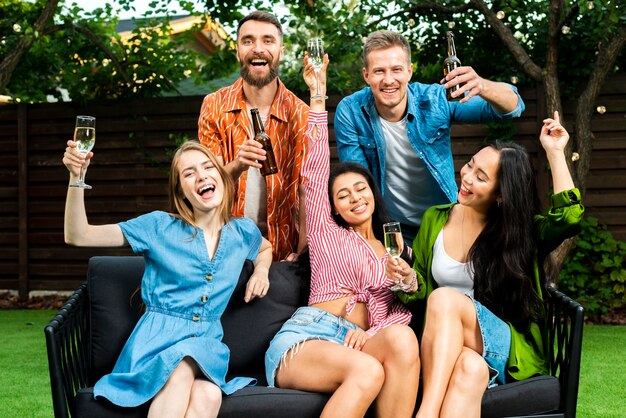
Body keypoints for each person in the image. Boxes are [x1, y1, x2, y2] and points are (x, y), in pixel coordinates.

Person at [386, 111, 584, 417]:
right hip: (450, 347)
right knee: (470, 369)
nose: (466, 177)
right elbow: (422, 290)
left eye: (481, 177)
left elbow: (569, 218)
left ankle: (425, 412)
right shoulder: (435, 218)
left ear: (502, 195)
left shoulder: (520, 232)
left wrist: (556, 153)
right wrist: (410, 279)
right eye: (470, 165)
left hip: (504, 342)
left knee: (446, 298)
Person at [63, 139, 272, 418]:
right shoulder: (158, 226)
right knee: (196, 381)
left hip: (207, 345)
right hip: (156, 344)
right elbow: (79, 236)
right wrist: (76, 178)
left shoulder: (242, 232)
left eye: (208, 167)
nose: (201, 176)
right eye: (189, 173)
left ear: (221, 177)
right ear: (181, 192)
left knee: (207, 390)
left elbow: (265, 248)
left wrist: (261, 271)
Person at [264, 53, 419, 418]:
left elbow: (400, 313)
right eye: (343, 195)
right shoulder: (325, 232)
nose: (354, 197)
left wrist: (407, 284)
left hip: (360, 342)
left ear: (372, 193)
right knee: (367, 370)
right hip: (311, 336)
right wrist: (318, 96)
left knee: (402, 338)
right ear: (332, 207)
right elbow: (315, 171)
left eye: (360, 188)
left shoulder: (394, 249)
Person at [334, 30, 525, 246]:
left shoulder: (435, 100)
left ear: (409, 71)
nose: (388, 80)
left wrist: (482, 85)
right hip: (392, 229)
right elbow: (357, 182)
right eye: (379, 71)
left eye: (396, 69)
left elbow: (512, 108)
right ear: (366, 75)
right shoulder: (350, 111)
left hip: (446, 223)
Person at [198, 10, 308, 261]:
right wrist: (237, 165)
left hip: (284, 252)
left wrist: (301, 257)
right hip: (225, 248)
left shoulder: (302, 114)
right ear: (237, 50)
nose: (257, 48)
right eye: (248, 41)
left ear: (281, 50)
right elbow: (204, 184)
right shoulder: (214, 106)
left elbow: (307, 193)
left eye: (268, 40)